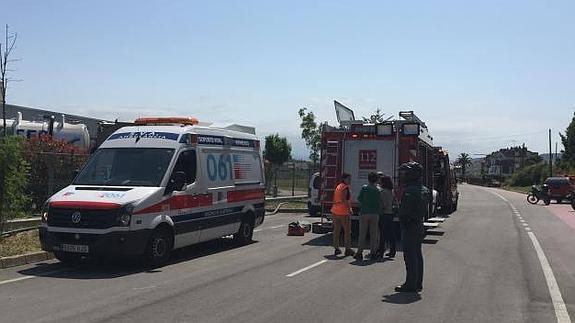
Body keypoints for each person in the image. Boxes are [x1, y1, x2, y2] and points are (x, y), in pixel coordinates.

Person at [395, 161, 429, 293]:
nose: (403, 176)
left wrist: (397, 211)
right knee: (417, 254)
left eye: (405, 173)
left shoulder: (410, 191)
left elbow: (405, 211)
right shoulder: (423, 189)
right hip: (418, 224)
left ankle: (410, 284)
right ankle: (417, 282)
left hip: (410, 225)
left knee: (410, 256)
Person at [355, 172, 381, 261]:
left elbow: (359, 199)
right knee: (373, 234)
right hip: (375, 213)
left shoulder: (364, 188)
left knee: (362, 234)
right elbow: (379, 202)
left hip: (364, 212)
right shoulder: (378, 190)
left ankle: (359, 252)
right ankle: (373, 252)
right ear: (376, 179)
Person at [331, 173, 355, 257]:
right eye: (348, 179)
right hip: (343, 211)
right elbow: (344, 199)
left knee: (337, 230)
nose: (350, 180)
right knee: (347, 231)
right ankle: (348, 249)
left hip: (335, 210)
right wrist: (349, 209)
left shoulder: (339, 186)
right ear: (344, 179)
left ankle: (336, 248)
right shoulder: (345, 187)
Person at [377, 174, 396, 259]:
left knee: (382, 234)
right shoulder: (391, 191)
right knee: (391, 233)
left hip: (384, 214)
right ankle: (392, 251)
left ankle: (381, 252)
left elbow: (383, 204)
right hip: (390, 213)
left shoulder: (382, 192)